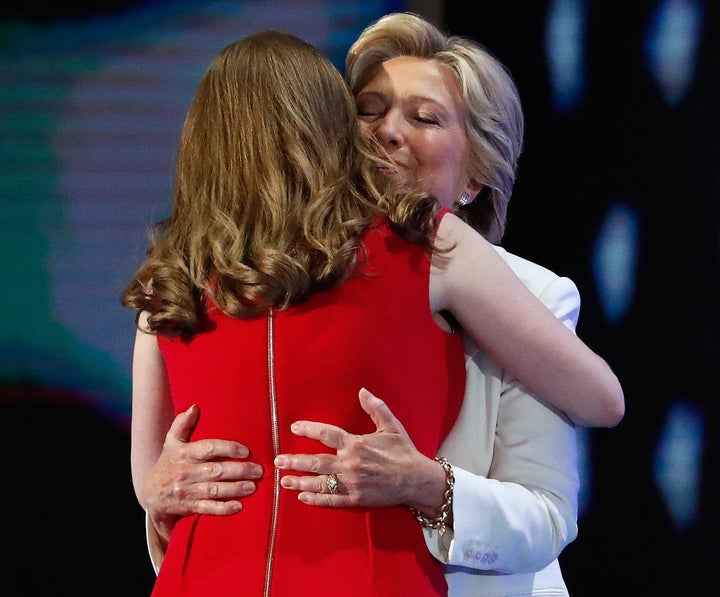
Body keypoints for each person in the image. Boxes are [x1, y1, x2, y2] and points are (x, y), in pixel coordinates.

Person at [127, 21, 622, 597]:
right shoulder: (256, 276)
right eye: (368, 109)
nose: (388, 132)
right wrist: (163, 490)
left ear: (478, 171)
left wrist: (427, 485)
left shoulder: (531, 291)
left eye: (424, 117)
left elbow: (550, 511)